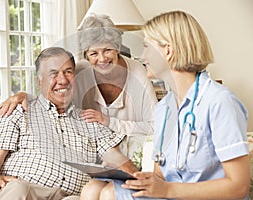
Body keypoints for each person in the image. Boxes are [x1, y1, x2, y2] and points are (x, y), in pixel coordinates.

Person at [80, 10, 250, 200]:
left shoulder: (219, 102)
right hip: (172, 194)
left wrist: (168, 190)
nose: (142, 56)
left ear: (167, 51)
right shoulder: (165, 107)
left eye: (146, 47)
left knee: (110, 194)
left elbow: (239, 186)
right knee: (93, 188)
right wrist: (138, 178)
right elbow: (161, 175)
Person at [0, 13, 158, 169]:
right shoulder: (79, 70)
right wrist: (24, 96)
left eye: (107, 50)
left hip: (126, 154)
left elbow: (156, 126)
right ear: (86, 55)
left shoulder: (138, 74)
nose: (102, 59)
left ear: (117, 47)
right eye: (94, 53)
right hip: (91, 156)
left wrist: (110, 122)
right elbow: (52, 97)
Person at [0, 47, 138, 200]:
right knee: (16, 188)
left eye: (68, 72)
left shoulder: (91, 121)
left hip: (69, 196)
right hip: (25, 191)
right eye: (53, 73)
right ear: (39, 81)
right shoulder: (18, 110)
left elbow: (115, 157)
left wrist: (136, 178)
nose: (62, 80)